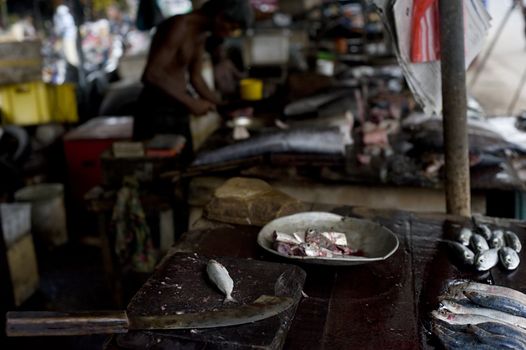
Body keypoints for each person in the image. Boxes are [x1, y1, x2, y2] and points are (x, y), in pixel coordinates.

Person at [133, 0, 253, 164]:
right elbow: (152, 74)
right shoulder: (179, 26)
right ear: (220, 17)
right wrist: (191, 102)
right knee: (157, 169)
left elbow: (196, 78)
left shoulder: (200, 34)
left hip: (177, 107)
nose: (229, 34)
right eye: (231, 28)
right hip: (156, 110)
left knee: (183, 164)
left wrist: (221, 106)